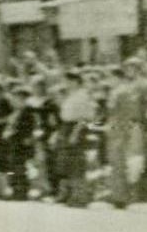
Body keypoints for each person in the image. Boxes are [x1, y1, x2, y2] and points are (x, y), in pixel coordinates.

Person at [103, 66, 143, 209]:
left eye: (110, 77)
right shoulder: (126, 91)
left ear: (116, 77)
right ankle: (120, 195)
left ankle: (119, 197)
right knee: (118, 163)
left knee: (117, 163)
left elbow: (114, 111)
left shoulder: (119, 92)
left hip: (118, 130)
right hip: (122, 129)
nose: (109, 80)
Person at [56, 70, 96, 207]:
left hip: (76, 128)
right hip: (67, 127)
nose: (66, 83)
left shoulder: (82, 95)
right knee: (69, 163)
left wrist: (75, 133)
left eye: (68, 80)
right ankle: (73, 195)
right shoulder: (71, 95)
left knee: (77, 163)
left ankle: (81, 196)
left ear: (75, 81)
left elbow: (84, 118)